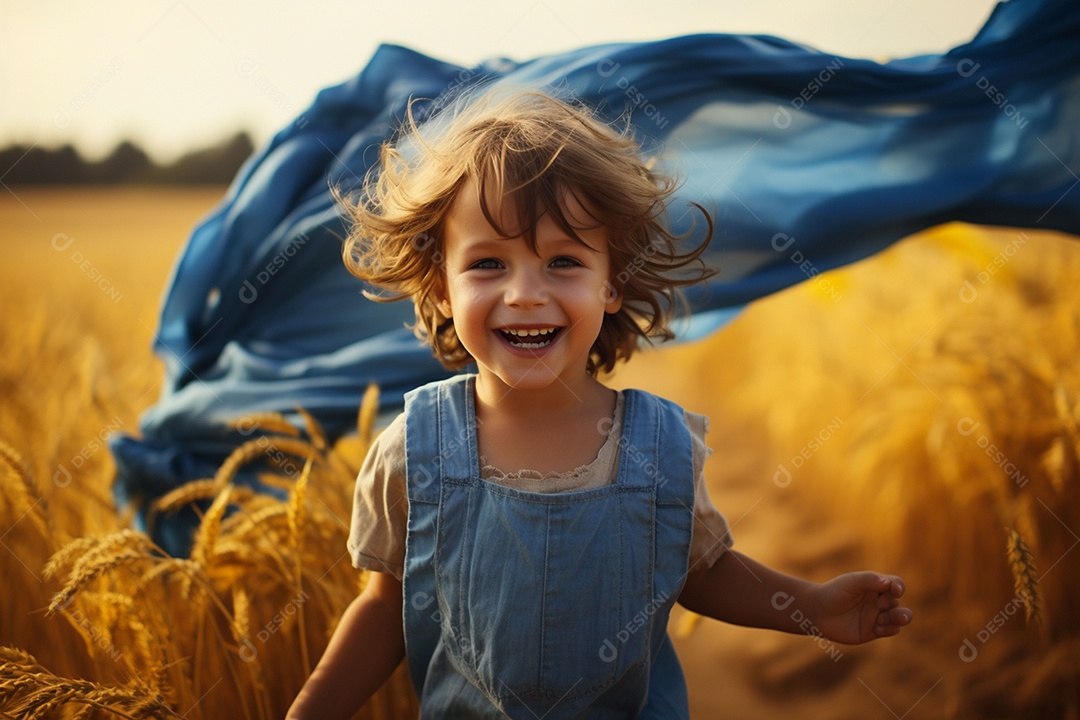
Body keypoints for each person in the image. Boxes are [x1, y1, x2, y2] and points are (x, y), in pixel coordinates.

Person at [286, 88, 912, 720]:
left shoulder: (656, 444)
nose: (525, 294)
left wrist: (811, 605)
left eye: (563, 261)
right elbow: (385, 605)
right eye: (486, 264)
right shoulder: (412, 447)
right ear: (440, 286)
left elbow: (700, 570)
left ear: (611, 282)